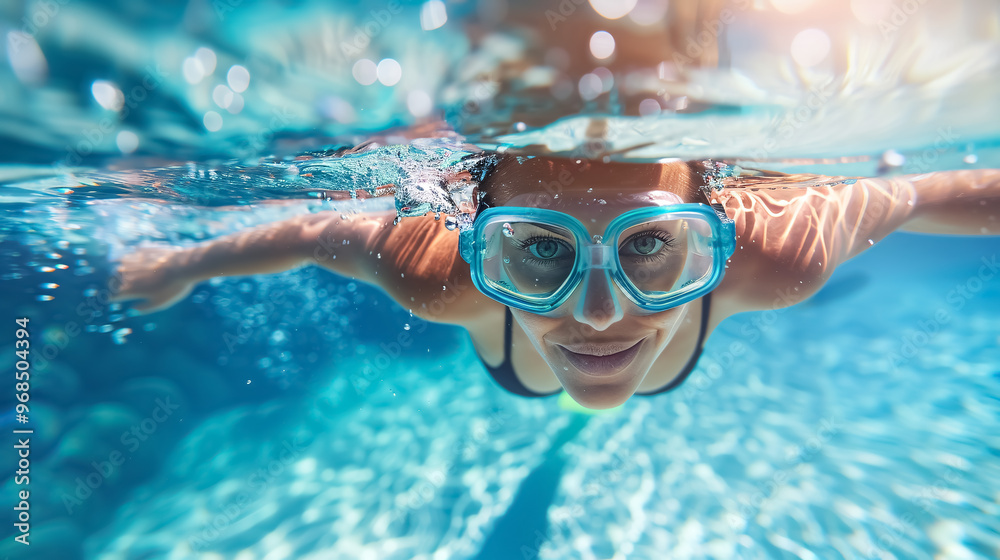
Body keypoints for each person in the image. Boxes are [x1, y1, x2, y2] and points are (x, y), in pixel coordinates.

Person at [111, 154, 999, 409]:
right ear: (478, 244)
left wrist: (185, 265)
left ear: (718, 239)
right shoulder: (437, 277)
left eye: (652, 246)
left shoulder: (778, 255)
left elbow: (920, 190)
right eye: (538, 250)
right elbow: (312, 232)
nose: (600, 314)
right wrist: (179, 262)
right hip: (525, 363)